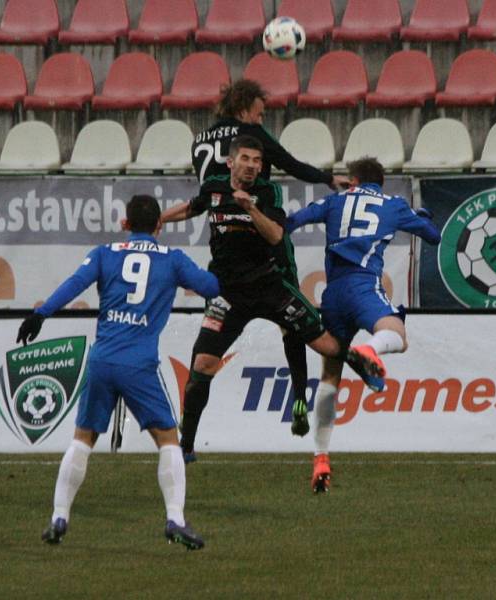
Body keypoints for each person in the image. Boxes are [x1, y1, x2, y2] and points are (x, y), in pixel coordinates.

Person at [161, 136, 385, 463]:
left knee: (325, 345)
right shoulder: (214, 186)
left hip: (269, 285)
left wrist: (250, 208)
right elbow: (193, 207)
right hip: (227, 292)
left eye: (257, 160)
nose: (252, 165)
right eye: (246, 159)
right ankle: (186, 446)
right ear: (231, 162)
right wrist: (159, 220)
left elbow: (276, 235)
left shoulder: (266, 192)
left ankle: (359, 361)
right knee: (202, 365)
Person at [17, 194, 220, 551]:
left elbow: (73, 284)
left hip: (102, 360)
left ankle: (59, 516)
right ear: (160, 225)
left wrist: (41, 314)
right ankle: (175, 519)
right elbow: (211, 288)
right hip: (139, 364)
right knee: (168, 439)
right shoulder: (173, 260)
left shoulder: (104, 253)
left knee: (83, 438)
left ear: (125, 224)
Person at [191, 79, 351, 438]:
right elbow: (290, 164)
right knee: (289, 313)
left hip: (225, 236)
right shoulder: (251, 135)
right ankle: (298, 397)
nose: (261, 121)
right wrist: (327, 178)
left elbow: (205, 191)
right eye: (260, 114)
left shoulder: (200, 138)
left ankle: (188, 434)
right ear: (246, 108)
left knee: (214, 329)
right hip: (262, 233)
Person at [284, 157, 442, 493]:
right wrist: (423, 217)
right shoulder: (394, 204)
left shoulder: (333, 200)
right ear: (380, 182)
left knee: (329, 374)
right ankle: (368, 350)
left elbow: (291, 223)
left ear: (352, 179)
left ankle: (321, 458)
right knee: (396, 336)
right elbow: (434, 237)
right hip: (362, 286)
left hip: (332, 293)